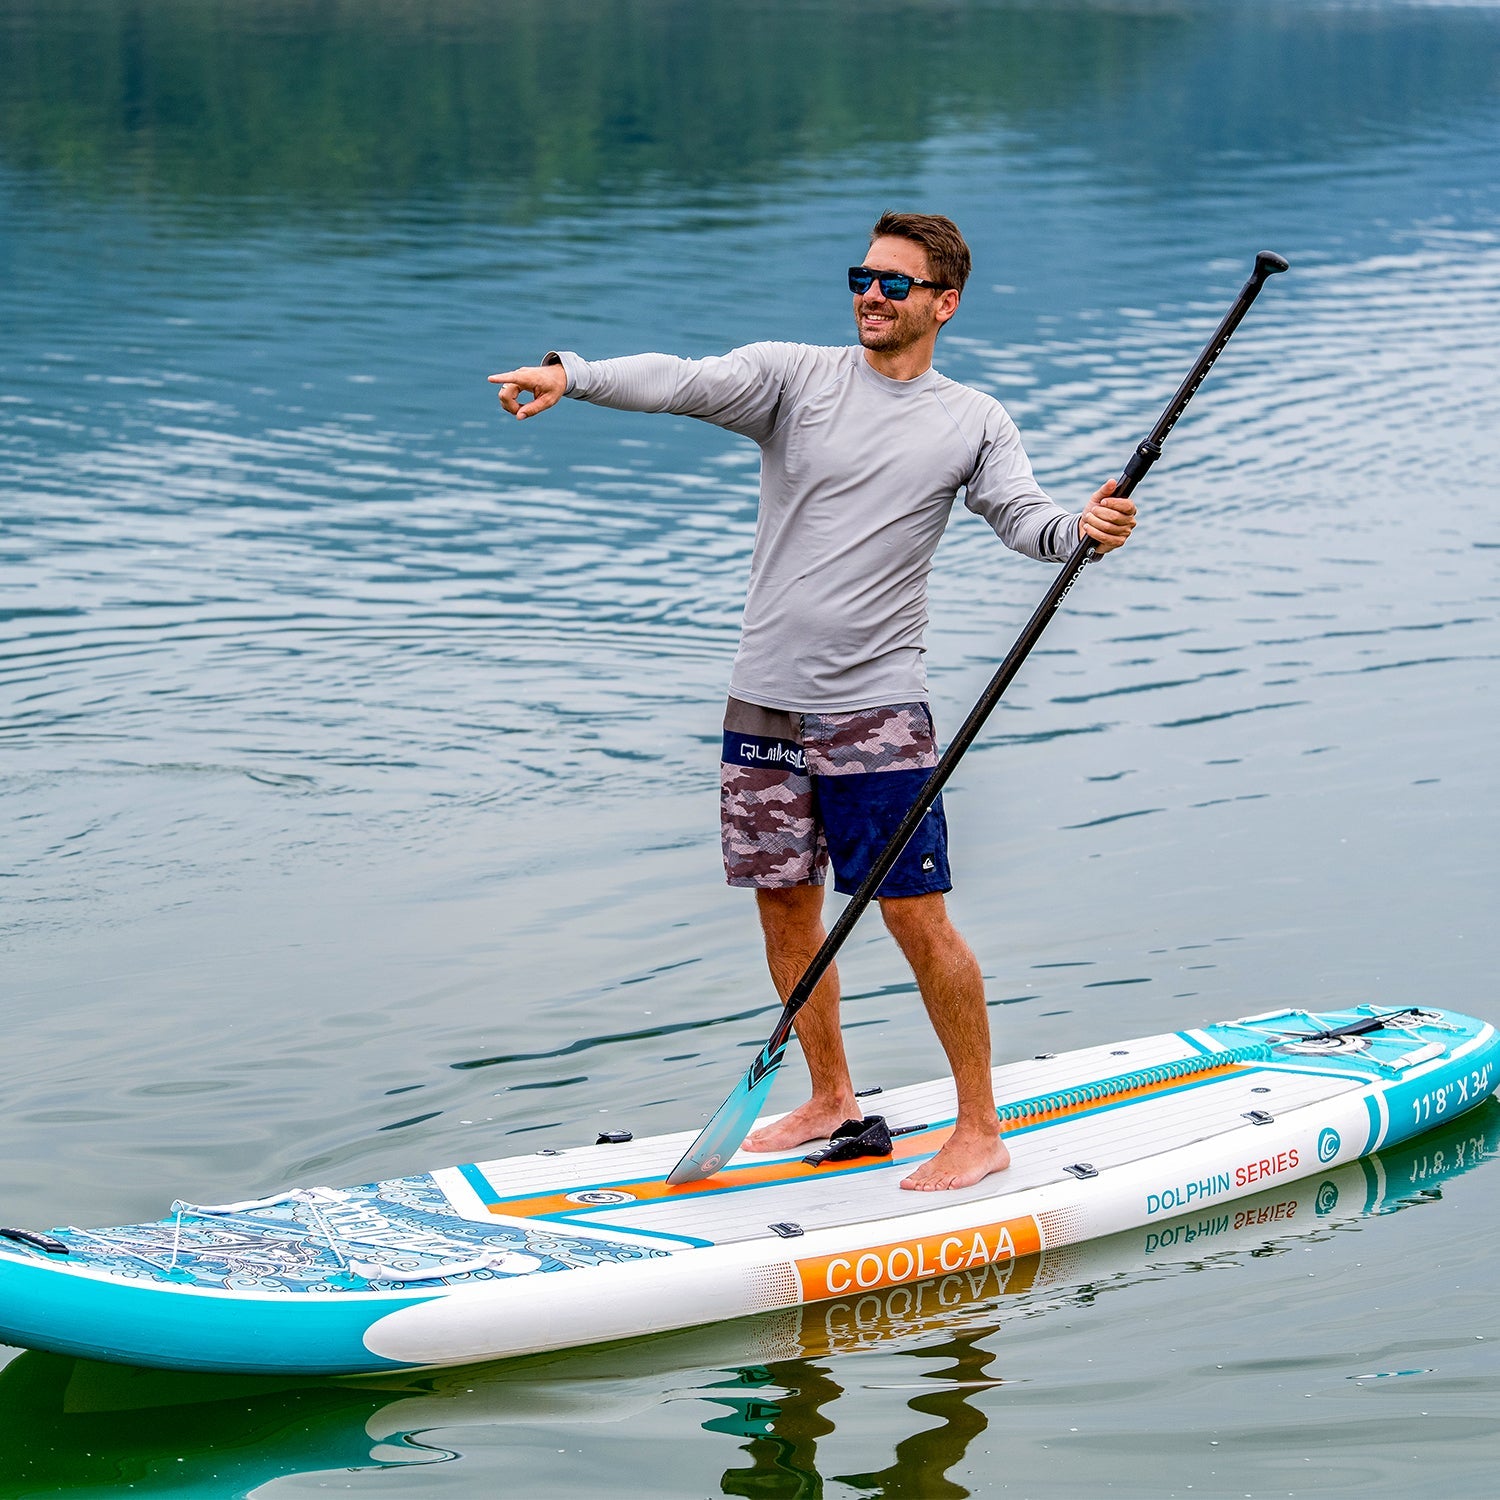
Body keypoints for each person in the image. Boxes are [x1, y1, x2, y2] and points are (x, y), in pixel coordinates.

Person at [489, 212, 1136, 1191]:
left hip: (876, 713)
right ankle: (831, 1096)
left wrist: (1084, 529)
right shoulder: (794, 380)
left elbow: (1027, 521)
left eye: (894, 284)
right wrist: (570, 374)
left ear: (943, 304)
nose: (870, 295)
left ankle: (979, 1125)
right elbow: (682, 380)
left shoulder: (973, 421)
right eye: (862, 278)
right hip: (763, 708)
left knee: (917, 919)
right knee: (786, 906)